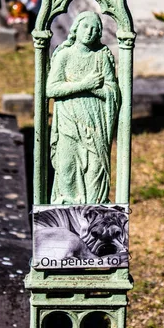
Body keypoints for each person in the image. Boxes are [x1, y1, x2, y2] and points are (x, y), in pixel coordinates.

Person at [47, 11, 120, 205]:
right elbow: (51, 88)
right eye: (85, 27)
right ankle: (65, 214)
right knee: (66, 168)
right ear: (76, 28)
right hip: (68, 121)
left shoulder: (101, 57)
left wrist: (97, 90)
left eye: (95, 29)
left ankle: (94, 212)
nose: (90, 32)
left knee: (96, 170)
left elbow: (112, 91)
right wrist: (84, 85)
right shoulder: (64, 55)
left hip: (94, 123)